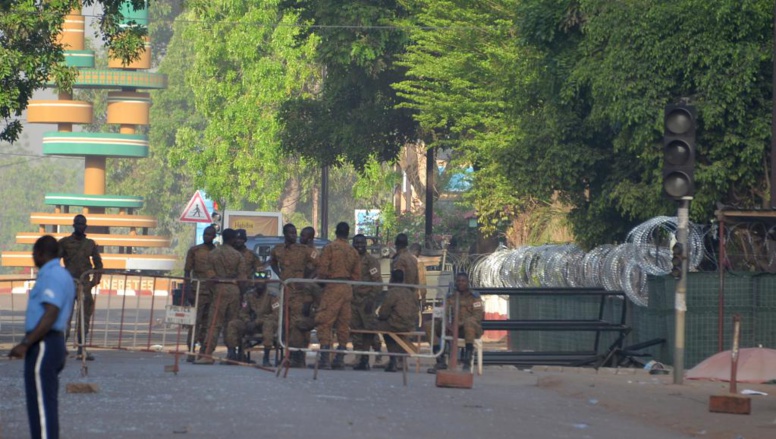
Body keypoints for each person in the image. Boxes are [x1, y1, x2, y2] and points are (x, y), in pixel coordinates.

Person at [8, 235, 75, 439]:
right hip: (53, 341)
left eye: (34, 254)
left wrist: (26, 344)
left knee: (41, 408)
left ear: (40, 253)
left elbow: (51, 311)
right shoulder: (63, 275)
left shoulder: (51, 275)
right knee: (44, 405)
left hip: (43, 343)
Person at [195, 228, 247, 365]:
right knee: (232, 323)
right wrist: (242, 294)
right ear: (233, 239)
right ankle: (231, 354)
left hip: (218, 290)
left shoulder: (212, 254)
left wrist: (215, 288)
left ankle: (207, 354)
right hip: (234, 290)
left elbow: (209, 275)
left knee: (214, 323)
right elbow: (242, 278)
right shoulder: (238, 256)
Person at [268, 223, 316, 367]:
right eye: (291, 233)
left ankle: (298, 356)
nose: (294, 235)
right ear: (285, 234)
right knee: (285, 323)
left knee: (297, 323)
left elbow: (318, 264)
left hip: (299, 293)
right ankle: (287, 355)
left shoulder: (304, 250)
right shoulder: (278, 250)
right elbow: (272, 262)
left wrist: (305, 279)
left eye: (295, 233)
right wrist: (280, 275)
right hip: (285, 291)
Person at [314, 222, 360, 370]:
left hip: (332, 287)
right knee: (343, 324)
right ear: (348, 233)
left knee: (324, 321)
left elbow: (322, 270)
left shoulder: (330, 248)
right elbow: (357, 275)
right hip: (347, 288)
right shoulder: (353, 251)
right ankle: (340, 357)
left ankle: (325, 358)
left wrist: (323, 281)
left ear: (335, 232)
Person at [58, 214, 103, 361]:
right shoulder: (64, 243)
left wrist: (92, 283)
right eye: (77, 224)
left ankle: (81, 349)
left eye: (82, 224)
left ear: (85, 227)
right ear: (73, 225)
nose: (79, 226)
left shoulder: (90, 244)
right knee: (65, 318)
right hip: (68, 285)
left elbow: (98, 266)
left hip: (84, 286)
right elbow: (53, 260)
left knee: (84, 319)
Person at [425, 272, 483, 374]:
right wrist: (446, 322)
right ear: (455, 282)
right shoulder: (451, 296)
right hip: (451, 327)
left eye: (463, 281)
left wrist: (460, 323)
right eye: (458, 281)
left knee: (469, 323)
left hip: (468, 330)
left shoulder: (474, 297)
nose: (461, 283)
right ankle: (440, 360)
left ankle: (467, 362)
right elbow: (444, 311)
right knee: (429, 325)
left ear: (467, 282)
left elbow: (478, 316)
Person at [182, 225, 217, 362]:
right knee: (195, 321)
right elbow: (187, 271)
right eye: (205, 234)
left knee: (208, 322)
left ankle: (204, 350)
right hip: (198, 291)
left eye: (209, 234)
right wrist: (188, 290)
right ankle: (191, 349)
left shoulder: (217, 252)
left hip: (213, 291)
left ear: (214, 236)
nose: (206, 236)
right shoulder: (195, 251)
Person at [374, 269, 418, 372]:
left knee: (378, 328)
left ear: (392, 279)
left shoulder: (392, 292)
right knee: (395, 334)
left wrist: (379, 317)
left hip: (396, 324)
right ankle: (400, 360)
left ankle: (391, 359)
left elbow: (383, 313)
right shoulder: (410, 292)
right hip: (410, 324)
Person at [350, 234, 383, 370]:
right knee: (356, 328)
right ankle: (359, 356)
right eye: (357, 243)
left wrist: (372, 299)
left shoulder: (371, 261)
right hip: (353, 299)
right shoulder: (351, 260)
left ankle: (378, 353)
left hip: (366, 300)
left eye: (362, 243)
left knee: (370, 328)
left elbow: (377, 282)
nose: (359, 246)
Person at [409, 242, 428, 311]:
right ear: (417, 251)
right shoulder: (418, 262)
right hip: (414, 294)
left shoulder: (403, 260)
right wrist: (423, 296)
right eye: (419, 252)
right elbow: (421, 280)